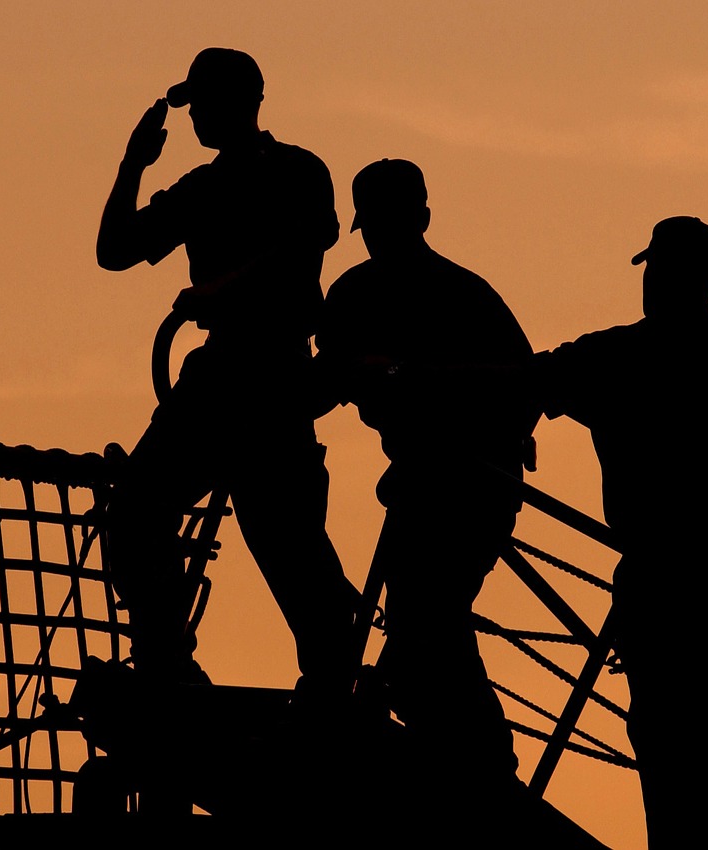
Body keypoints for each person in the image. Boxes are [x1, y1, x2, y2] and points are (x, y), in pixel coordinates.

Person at [529, 216, 708, 849]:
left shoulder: (621, 356)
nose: (650, 281)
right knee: (695, 720)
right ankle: (702, 842)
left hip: (667, 577)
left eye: (656, 267)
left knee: (666, 724)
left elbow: (529, 381)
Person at [94, 47, 357, 691]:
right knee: (132, 516)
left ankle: (334, 689)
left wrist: (223, 290)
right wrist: (133, 163)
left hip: (273, 376)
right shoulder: (200, 188)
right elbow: (114, 250)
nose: (194, 118)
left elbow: (304, 244)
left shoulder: (297, 170)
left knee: (288, 546)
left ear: (242, 102)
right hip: (218, 378)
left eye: (203, 103)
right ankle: (168, 665)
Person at [313, 159, 537, 829]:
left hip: (469, 485)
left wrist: (421, 384)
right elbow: (326, 381)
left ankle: (481, 761)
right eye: (374, 226)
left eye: (388, 223)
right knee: (423, 622)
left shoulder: (461, 296)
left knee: (424, 620)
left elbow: (524, 387)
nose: (380, 237)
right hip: (427, 484)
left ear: (421, 221)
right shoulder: (365, 295)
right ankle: (466, 752)